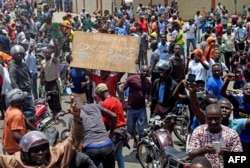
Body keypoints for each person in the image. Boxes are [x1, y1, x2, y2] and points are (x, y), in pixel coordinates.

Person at [0, 97, 84, 167]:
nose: (40, 153)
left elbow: (73, 140)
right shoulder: (15, 161)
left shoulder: (55, 156)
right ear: (25, 153)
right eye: (35, 150)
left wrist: (76, 118)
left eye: (43, 149)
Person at [68, 97, 117, 168]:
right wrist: (111, 133)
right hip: (107, 145)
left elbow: (73, 138)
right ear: (84, 103)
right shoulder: (95, 106)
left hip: (90, 148)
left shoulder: (73, 116)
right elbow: (114, 116)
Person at [95, 83, 129, 168]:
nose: (99, 97)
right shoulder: (116, 99)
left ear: (100, 93)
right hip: (123, 131)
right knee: (119, 155)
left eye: (98, 95)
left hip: (115, 132)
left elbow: (104, 121)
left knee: (108, 157)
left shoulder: (106, 103)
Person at [120, 65, 151, 148]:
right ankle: (135, 139)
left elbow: (149, 94)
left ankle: (140, 144)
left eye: (146, 71)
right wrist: (123, 102)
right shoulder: (132, 79)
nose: (145, 73)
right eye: (143, 71)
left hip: (142, 109)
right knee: (130, 129)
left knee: (142, 130)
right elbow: (122, 89)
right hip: (131, 108)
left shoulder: (148, 82)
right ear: (140, 71)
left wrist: (148, 100)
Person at [2, 89, 36, 155]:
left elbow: (25, 121)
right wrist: (27, 143)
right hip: (14, 148)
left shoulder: (11, 108)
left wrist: (36, 131)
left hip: (7, 143)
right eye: (24, 100)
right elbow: (15, 135)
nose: (26, 101)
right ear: (19, 102)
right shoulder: (17, 114)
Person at [220, 76, 250, 152]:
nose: (249, 90)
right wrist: (227, 81)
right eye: (246, 89)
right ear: (242, 90)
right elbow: (222, 93)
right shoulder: (237, 100)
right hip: (239, 136)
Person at [8, 45, 35, 118]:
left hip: (28, 90)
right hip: (22, 92)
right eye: (17, 54)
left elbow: (29, 75)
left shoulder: (23, 64)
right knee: (29, 110)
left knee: (31, 109)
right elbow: (13, 82)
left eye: (21, 53)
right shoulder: (13, 67)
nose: (19, 55)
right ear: (13, 55)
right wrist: (20, 95)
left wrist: (30, 83)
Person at [151, 60, 177, 131]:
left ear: (168, 71)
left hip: (168, 112)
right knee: (155, 131)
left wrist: (173, 116)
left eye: (163, 70)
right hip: (158, 110)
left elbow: (177, 102)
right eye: (160, 70)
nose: (161, 72)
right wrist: (152, 113)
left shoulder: (174, 85)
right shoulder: (156, 82)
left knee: (166, 134)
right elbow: (153, 98)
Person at [40, 41, 62, 123]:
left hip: (54, 82)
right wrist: (41, 83)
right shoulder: (42, 62)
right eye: (46, 53)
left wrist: (55, 44)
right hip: (47, 83)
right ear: (44, 54)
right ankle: (53, 113)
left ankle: (57, 117)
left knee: (55, 99)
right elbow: (42, 73)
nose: (47, 54)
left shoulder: (53, 59)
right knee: (49, 100)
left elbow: (57, 52)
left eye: (48, 53)